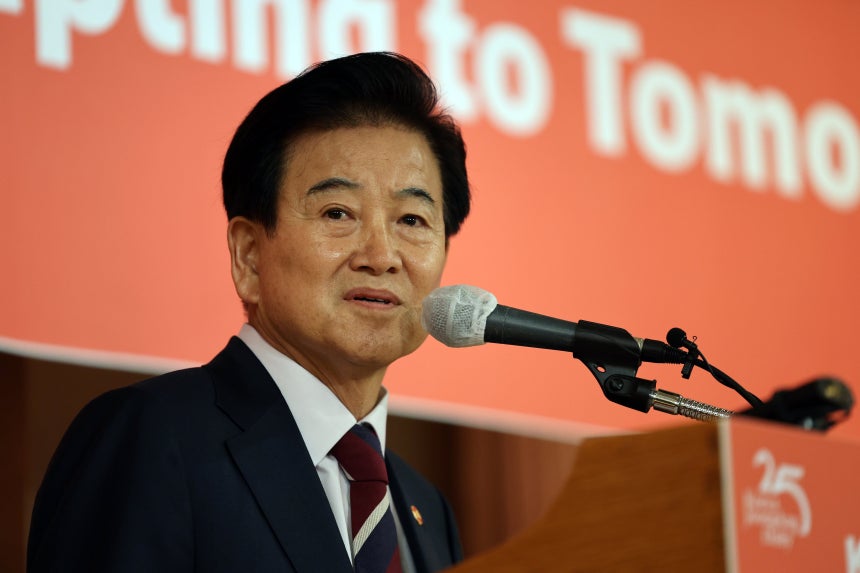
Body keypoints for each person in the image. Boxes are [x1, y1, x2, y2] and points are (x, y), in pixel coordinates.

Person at [27, 52, 471, 573]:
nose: (381, 255)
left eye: (412, 220)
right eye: (337, 213)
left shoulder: (425, 508)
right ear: (249, 255)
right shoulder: (152, 436)